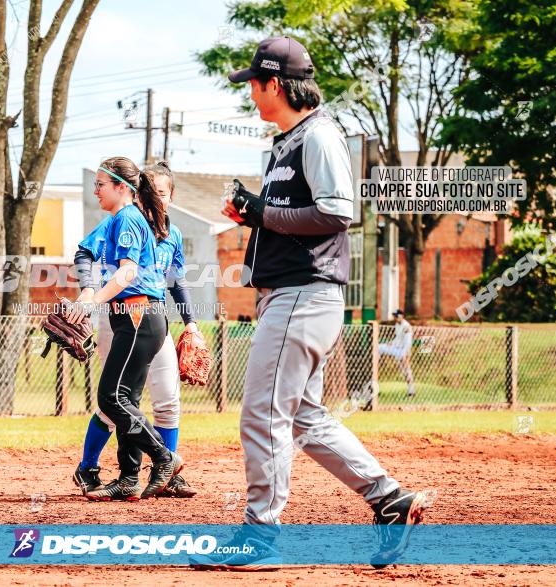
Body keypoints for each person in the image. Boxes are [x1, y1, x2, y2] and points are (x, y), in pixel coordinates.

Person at [191, 37, 431, 570]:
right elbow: (289, 215)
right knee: (305, 419)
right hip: (294, 294)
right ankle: (389, 499)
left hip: (304, 292)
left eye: (252, 84)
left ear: (274, 84)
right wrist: (254, 214)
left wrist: (264, 214)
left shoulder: (319, 136)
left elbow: (337, 213)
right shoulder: (288, 142)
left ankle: (260, 536)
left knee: (262, 413)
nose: (249, 94)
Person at [72, 161, 197, 499]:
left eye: (101, 184)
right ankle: (127, 477)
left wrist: (92, 300)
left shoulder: (129, 218)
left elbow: (129, 273)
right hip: (133, 316)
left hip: (139, 314)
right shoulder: (125, 218)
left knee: (113, 398)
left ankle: (165, 459)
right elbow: (86, 252)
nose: (96, 190)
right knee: (124, 399)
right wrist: (89, 292)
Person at [379, 309, 416, 397]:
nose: (395, 318)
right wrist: (391, 342)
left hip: (404, 350)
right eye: (394, 316)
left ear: (401, 316)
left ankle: (411, 390)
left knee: (406, 370)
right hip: (397, 348)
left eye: (396, 316)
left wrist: (405, 353)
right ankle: (377, 362)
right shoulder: (397, 325)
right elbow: (398, 338)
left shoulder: (406, 326)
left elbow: (407, 342)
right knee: (379, 347)